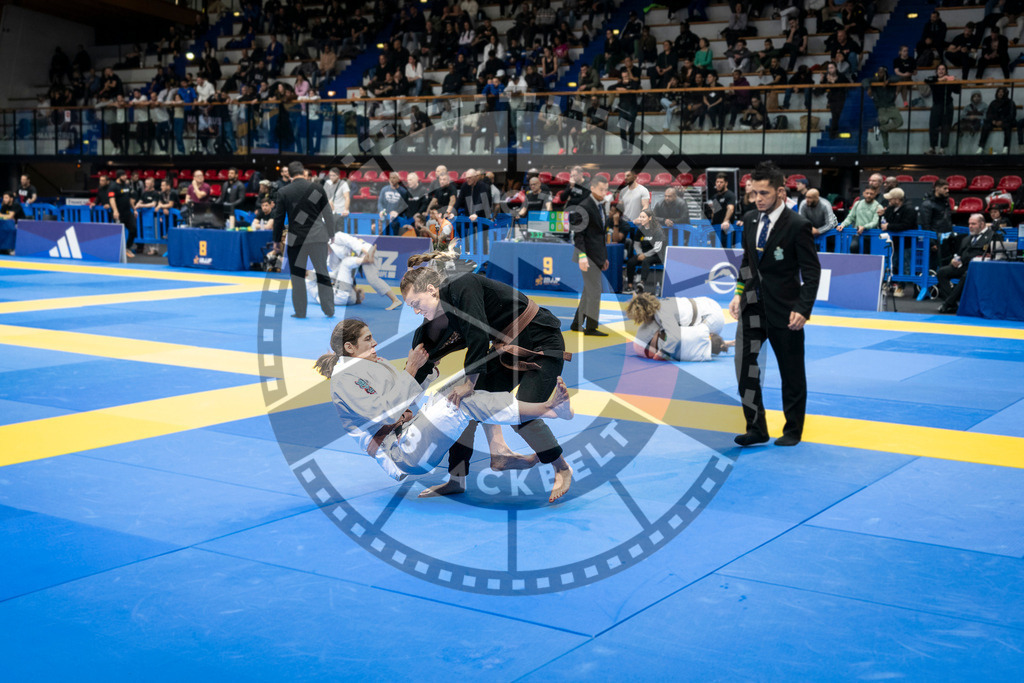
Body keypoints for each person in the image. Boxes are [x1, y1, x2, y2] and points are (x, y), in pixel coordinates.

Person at [399, 266, 575, 503]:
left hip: (540, 342)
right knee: (462, 405)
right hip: (506, 350)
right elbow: (420, 366)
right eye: (410, 306)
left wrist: (469, 383)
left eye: (416, 302)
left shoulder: (462, 285)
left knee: (523, 413)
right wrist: (399, 409)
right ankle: (457, 478)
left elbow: (478, 334)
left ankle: (561, 467)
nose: (415, 310)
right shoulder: (432, 323)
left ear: (431, 290)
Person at [317, 322, 575, 483]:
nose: (374, 343)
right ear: (350, 347)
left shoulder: (374, 364)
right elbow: (384, 414)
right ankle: (548, 409)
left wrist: (426, 370)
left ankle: (500, 452)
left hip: (411, 432)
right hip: (402, 452)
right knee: (461, 402)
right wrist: (409, 370)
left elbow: (409, 395)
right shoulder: (344, 380)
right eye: (367, 339)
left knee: (466, 385)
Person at [729, 161, 821, 448]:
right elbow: (747, 261)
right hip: (752, 306)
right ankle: (756, 428)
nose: (758, 199)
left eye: (764, 193)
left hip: (786, 310)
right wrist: (737, 292)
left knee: (791, 372)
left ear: (780, 192)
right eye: (754, 193)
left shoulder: (798, 225)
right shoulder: (751, 219)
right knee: (744, 366)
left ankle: (793, 429)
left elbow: (812, 271)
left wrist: (803, 308)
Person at [271, 160, 334, 319]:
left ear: (289, 174)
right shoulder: (317, 188)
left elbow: (278, 219)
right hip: (318, 236)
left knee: (297, 275)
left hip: (295, 239)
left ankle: (300, 311)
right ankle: (329, 309)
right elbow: (328, 213)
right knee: (322, 272)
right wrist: (331, 234)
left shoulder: (284, 192)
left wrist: (276, 240)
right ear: (303, 171)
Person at [628, 292, 733, 362]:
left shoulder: (662, 313)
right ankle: (720, 342)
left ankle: (718, 344)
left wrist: (662, 353)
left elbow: (675, 336)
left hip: (712, 319)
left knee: (683, 340)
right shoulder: (662, 303)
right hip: (709, 304)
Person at [570, 175, 610, 336]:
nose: (604, 192)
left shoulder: (600, 206)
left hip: (596, 254)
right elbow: (578, 235)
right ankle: (591, 327)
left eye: (606, 189)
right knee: (595, 290)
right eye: (601, 189)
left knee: (589, 290)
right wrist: (582, 257)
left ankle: (577, 323)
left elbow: (599, 235)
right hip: (586, 256)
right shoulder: (584, 206)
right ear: (592, 188)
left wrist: (604, 257)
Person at [328, 229, 402, 310]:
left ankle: (395, 300)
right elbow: (349, 274)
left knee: (373, 279)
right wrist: (356, 293)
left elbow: (353, 242)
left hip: (366, 250)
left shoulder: (337, 236)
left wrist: (367, 254)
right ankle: (395, 300)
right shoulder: (331, 259)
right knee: (370, 279)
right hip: (361, 256)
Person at [937, 214, 993, 314]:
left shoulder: (991, 236)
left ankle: (948, 303)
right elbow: (959, 254)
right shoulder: (967, 238)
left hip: (980, 268)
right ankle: (953, 304)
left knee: (966, 275)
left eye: (973, 224)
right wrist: (955, 260)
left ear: (982, 224)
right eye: (969, 224)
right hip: (963, 265)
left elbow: (994, 255)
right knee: (942, 272)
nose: (970, 226)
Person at [624, 208, 666, 293]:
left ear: (650, 218)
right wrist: (640, 253)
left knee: (646, 261)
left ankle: (641, 283)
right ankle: (630, 286)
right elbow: (636, 243)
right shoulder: (641, 229)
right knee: (631, 262)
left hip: (657, 255)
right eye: (640, 217)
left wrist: (645, 255)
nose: (641, 219)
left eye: (643, 217)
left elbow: (657, 247)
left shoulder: (657, 230)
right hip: (643, 254)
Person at [924, 64, 960, 155]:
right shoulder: (934, 79)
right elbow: (926, 80)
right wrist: (940, 80)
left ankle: (942, 148)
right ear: (936, 71)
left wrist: (954, 81)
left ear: (946, 71)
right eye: (939, 69)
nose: (941, 71)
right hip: (937, 105)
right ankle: (932, 147)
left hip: (947, 105)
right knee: (933, 126)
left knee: (946, 127)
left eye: (943, 69)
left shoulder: (948, 80)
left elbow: (958, 91)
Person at [837, 185, 880, 254]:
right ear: (863, 193)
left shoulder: (878, 206)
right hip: (857, 233)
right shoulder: (857, 204)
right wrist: (842, 225)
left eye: (871, 194)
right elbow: (850, 217)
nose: (869, 195)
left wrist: (864, 227)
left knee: (869, 254)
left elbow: (875, 222)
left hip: (871, 235)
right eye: (867, 193)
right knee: (853, 247)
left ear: (875, 194)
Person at [868, 67, 902, 154]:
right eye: (879, 72)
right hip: (881, 107)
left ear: (885, 73)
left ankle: (878, 129)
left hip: (891, 105)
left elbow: (899, 78)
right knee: (884, 124)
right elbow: (864, 80)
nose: (880, 73)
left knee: (900, 122)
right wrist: (867, 87)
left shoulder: (891, 78)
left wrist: (889, 81)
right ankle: (886, 148)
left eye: (882, 72)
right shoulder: (874, 80)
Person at [976, 86, 1017, 155]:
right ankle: (981, 147)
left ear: (1005, 93)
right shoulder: (993, 103)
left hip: (1005, 121)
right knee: (986, 126)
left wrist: (1002, 121)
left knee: (1008, 126)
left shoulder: (1010, 102)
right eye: (999, 92)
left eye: (1002, 92)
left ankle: (1005, 147)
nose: (1000, 94)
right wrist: (993, 120)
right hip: (994, 121)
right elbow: (989, 114)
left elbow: (1012, 115)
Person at [108, 170, 137, 260]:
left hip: (128, 212)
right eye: (124, 176)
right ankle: (116, 251)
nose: (126, 177)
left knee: (134, 229)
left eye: (125, 175)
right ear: (119, 176)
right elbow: (111, 199)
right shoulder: (113, 186)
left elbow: (129, 199)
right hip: (119, 214)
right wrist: (115, 211)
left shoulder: (126, 185)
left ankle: (127, 248)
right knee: (119, 233)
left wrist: (134, 209)